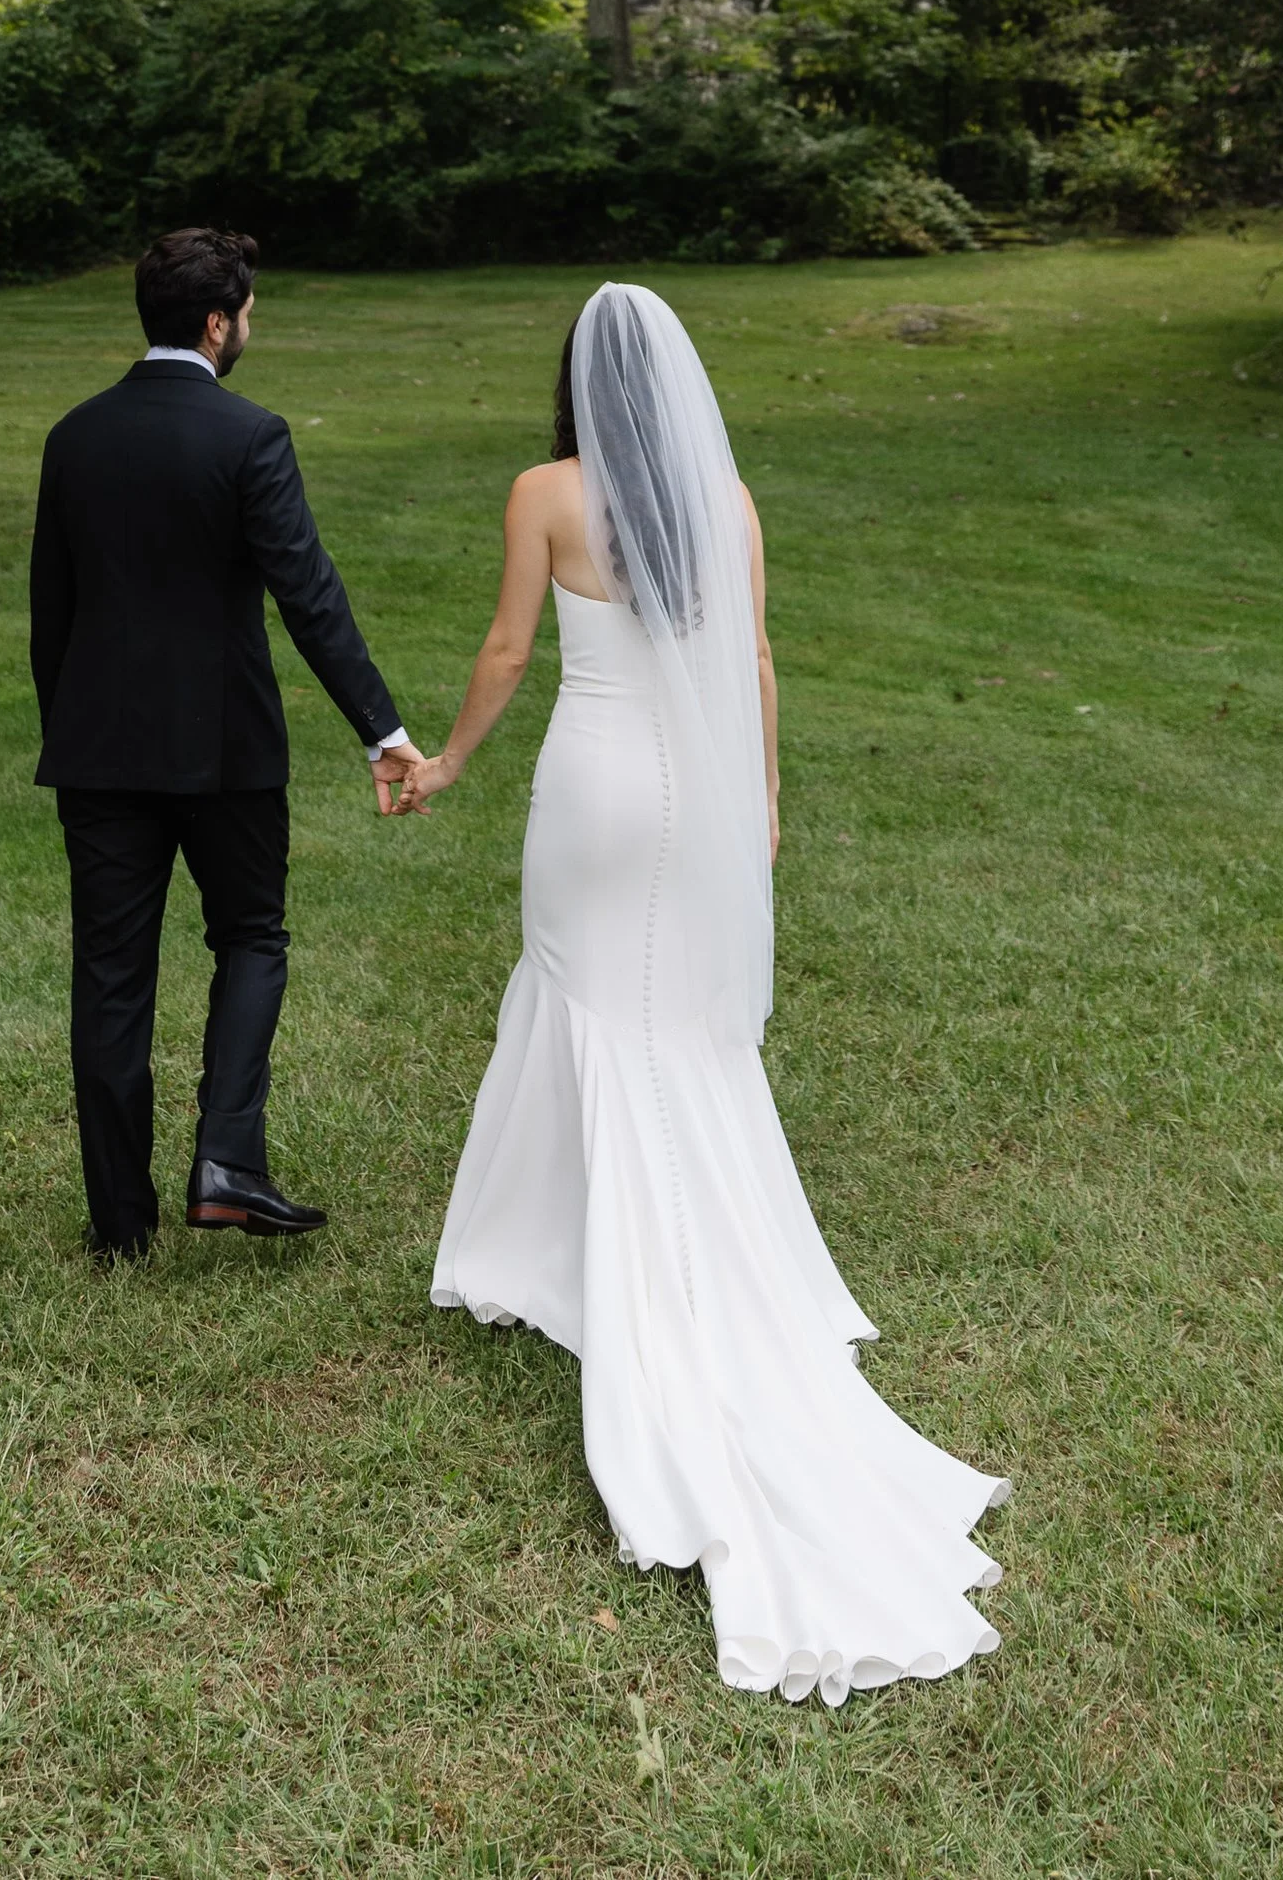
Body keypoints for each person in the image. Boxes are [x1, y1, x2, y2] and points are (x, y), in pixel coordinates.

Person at [401, 280, 1006, 1705]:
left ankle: (575, 1263)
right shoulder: (726, 498)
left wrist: (444, 765)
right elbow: (751, 660)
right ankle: (589, 1251)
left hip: (592, 792)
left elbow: (506, 654)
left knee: (580, 1008)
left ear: (576, 386)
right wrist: (765, 799)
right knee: (671, 1038)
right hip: (692, 801)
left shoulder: (546, 491)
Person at [29, 226, 421, 1256]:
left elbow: (50, 614)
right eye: (247, 312)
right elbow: (309, 596)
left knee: (111, 974)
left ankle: (119, 1226)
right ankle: (226, 1160)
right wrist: (381, 730)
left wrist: (69, 732)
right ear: (216, 323)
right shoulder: (249, 435)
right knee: (251, 936)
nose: (250, 327)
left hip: (100, 750)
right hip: (225, 749)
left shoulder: (74, 435)